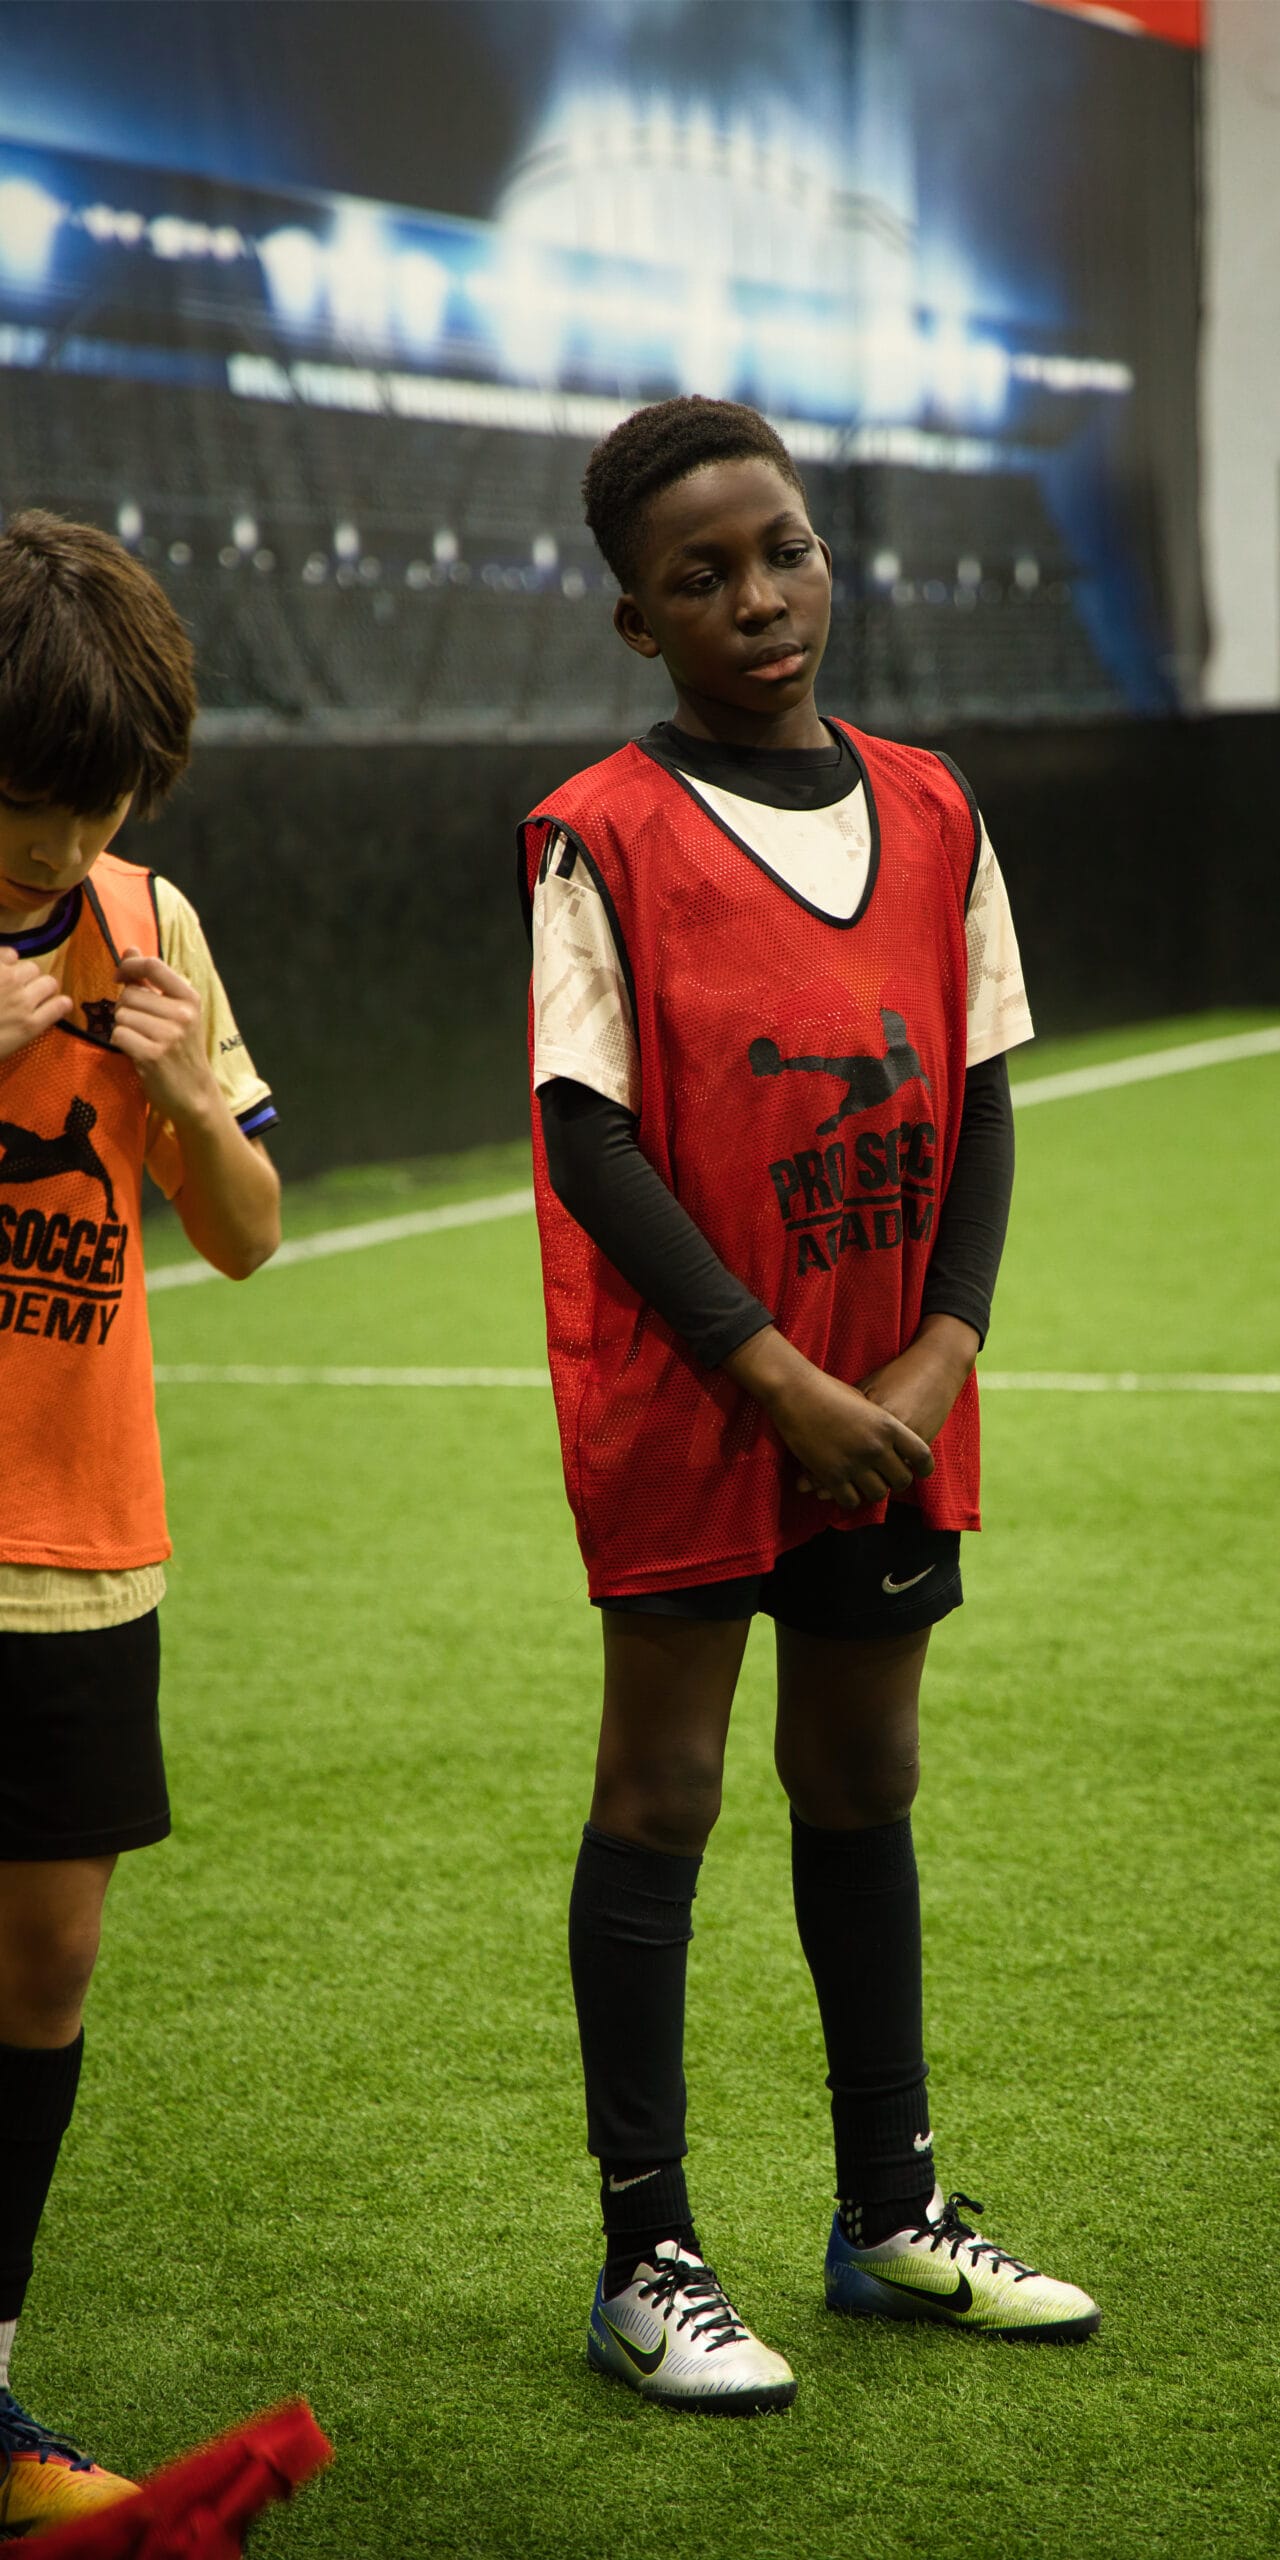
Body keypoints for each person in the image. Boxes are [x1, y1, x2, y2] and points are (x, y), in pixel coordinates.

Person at [521, 397, 1100, 2415]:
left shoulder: (935, 807)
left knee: (861, 1779)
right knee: (662, 1789)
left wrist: (934, 1358)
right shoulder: (601, 828)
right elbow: (588, 1137)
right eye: (701, 575)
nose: (755, 596)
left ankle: (887, 2215)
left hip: (884, 1392)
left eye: (778, 548)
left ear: (825, 555)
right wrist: (766, 1371)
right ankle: (646, 2251)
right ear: (633, 621)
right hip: (704, 1399)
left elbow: (984, 1091)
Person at [0, 513, 280, 2527]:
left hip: (83, 1542)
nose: (65, 837)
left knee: (47, 1957)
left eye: (103, 801)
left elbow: (252, 1237)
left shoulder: (151, 925)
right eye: (33, 801)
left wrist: (185, 1103)